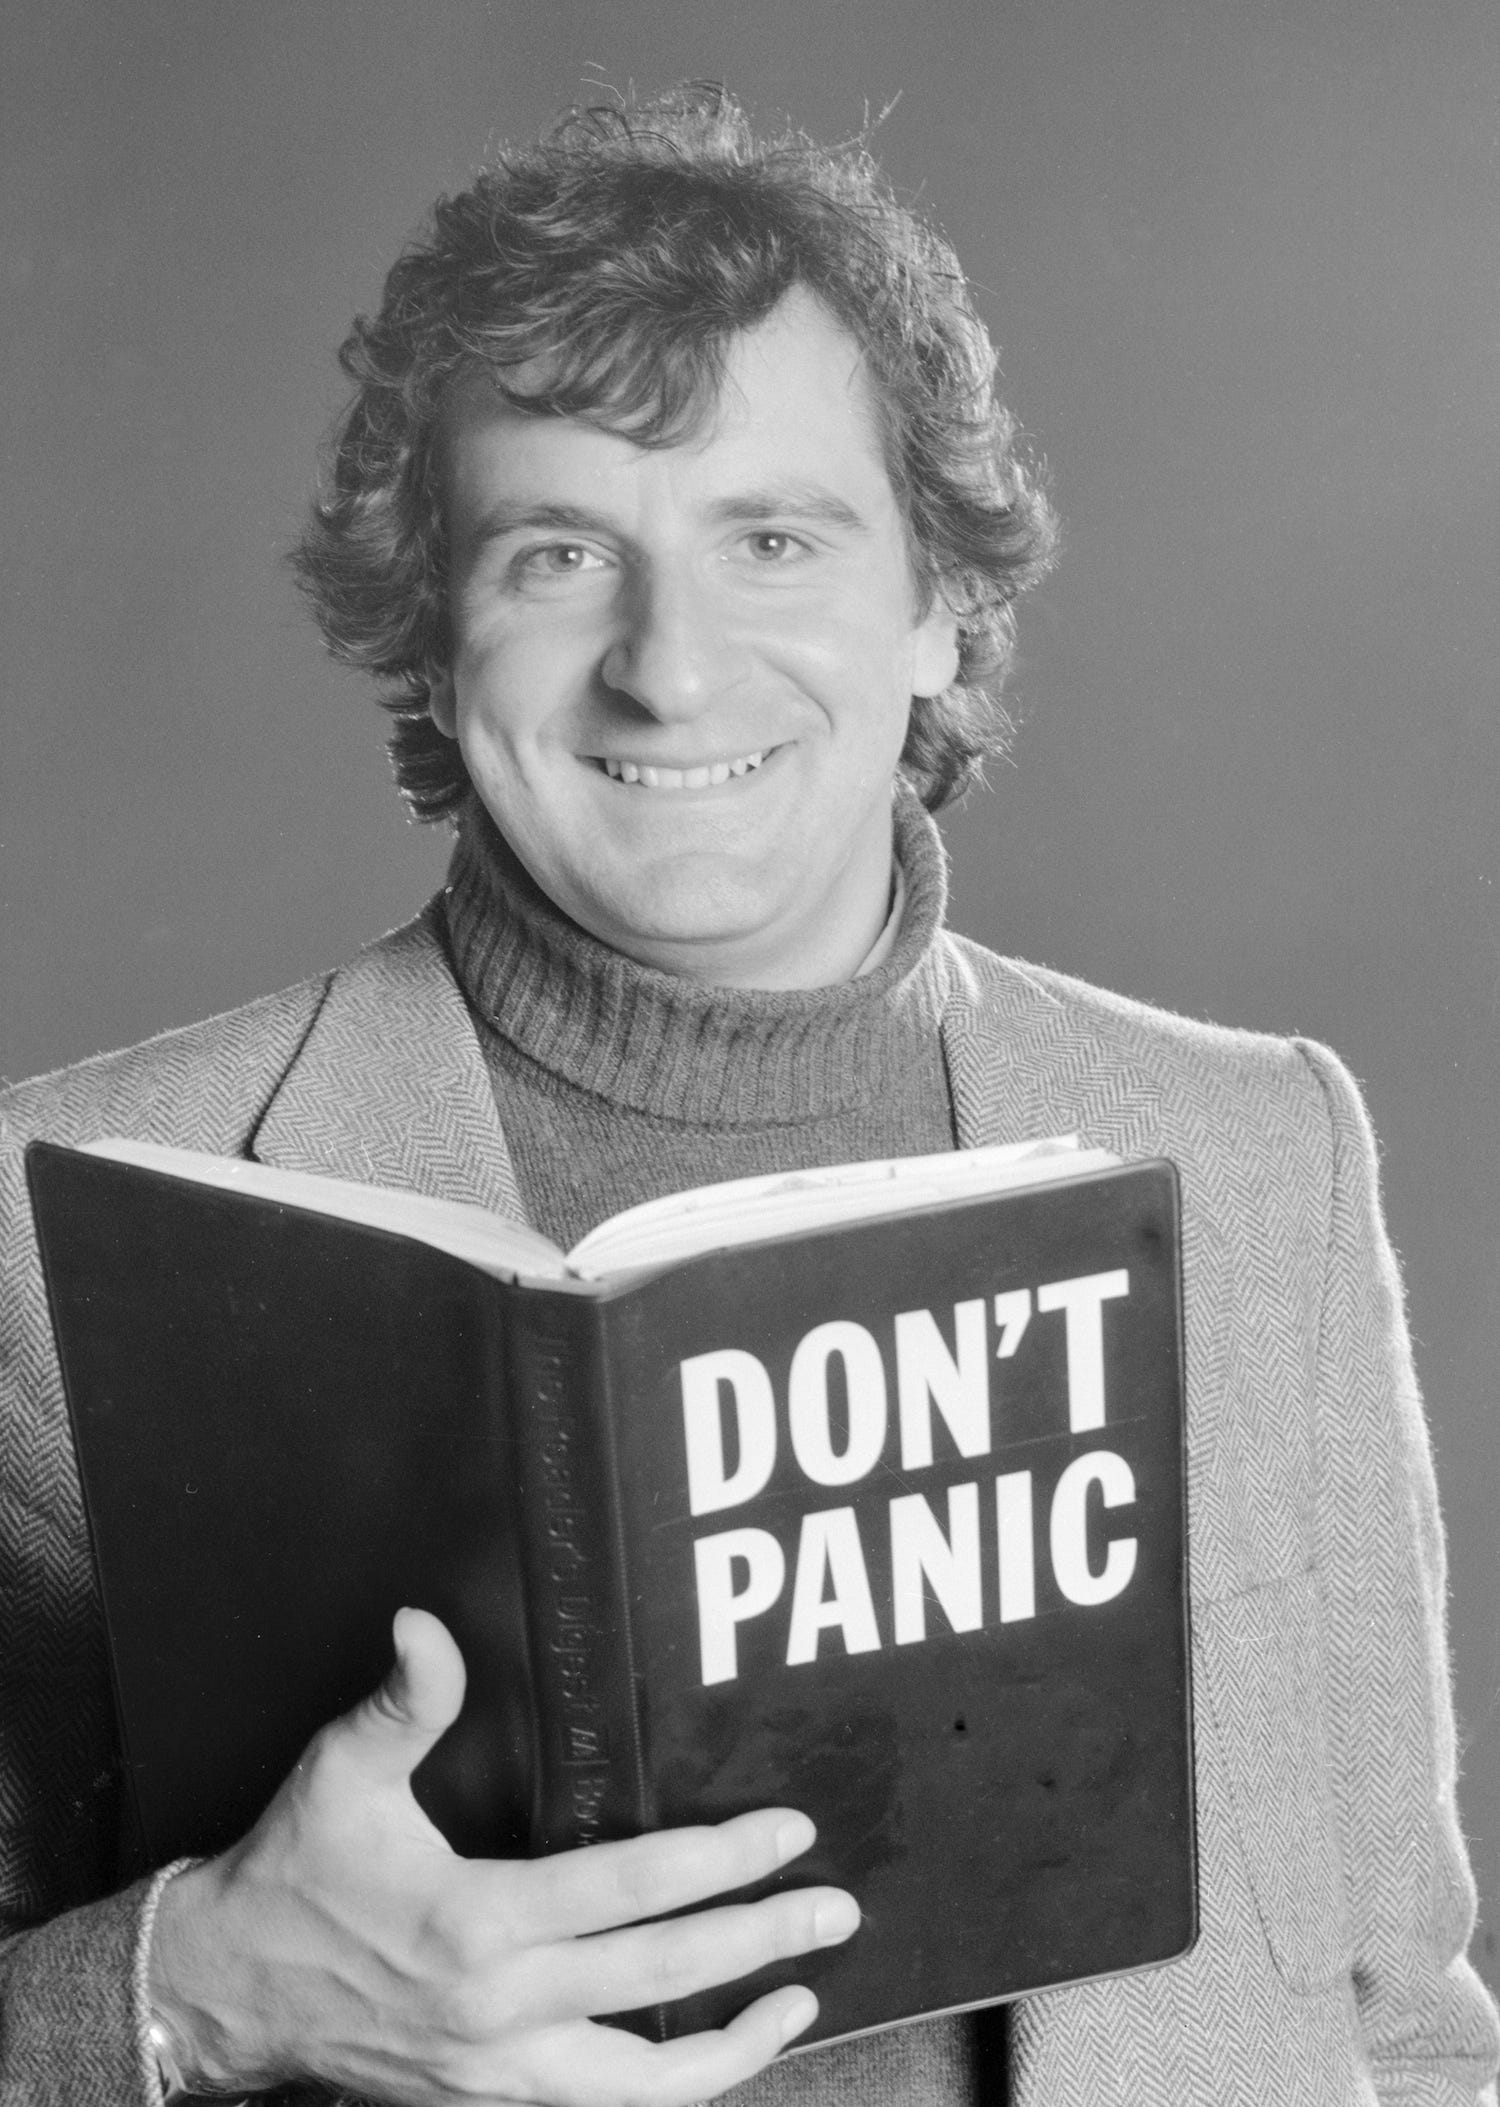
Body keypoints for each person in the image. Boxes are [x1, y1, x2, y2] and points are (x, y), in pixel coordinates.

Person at [0, 83, 1495, 2107]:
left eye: (772, 540)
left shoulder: (1257, 1155)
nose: (671, 669)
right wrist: (189, 1996)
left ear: (936, 605)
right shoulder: (47, 1231)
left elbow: (1406, 2018)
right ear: (433, 642)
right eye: (556, 555)